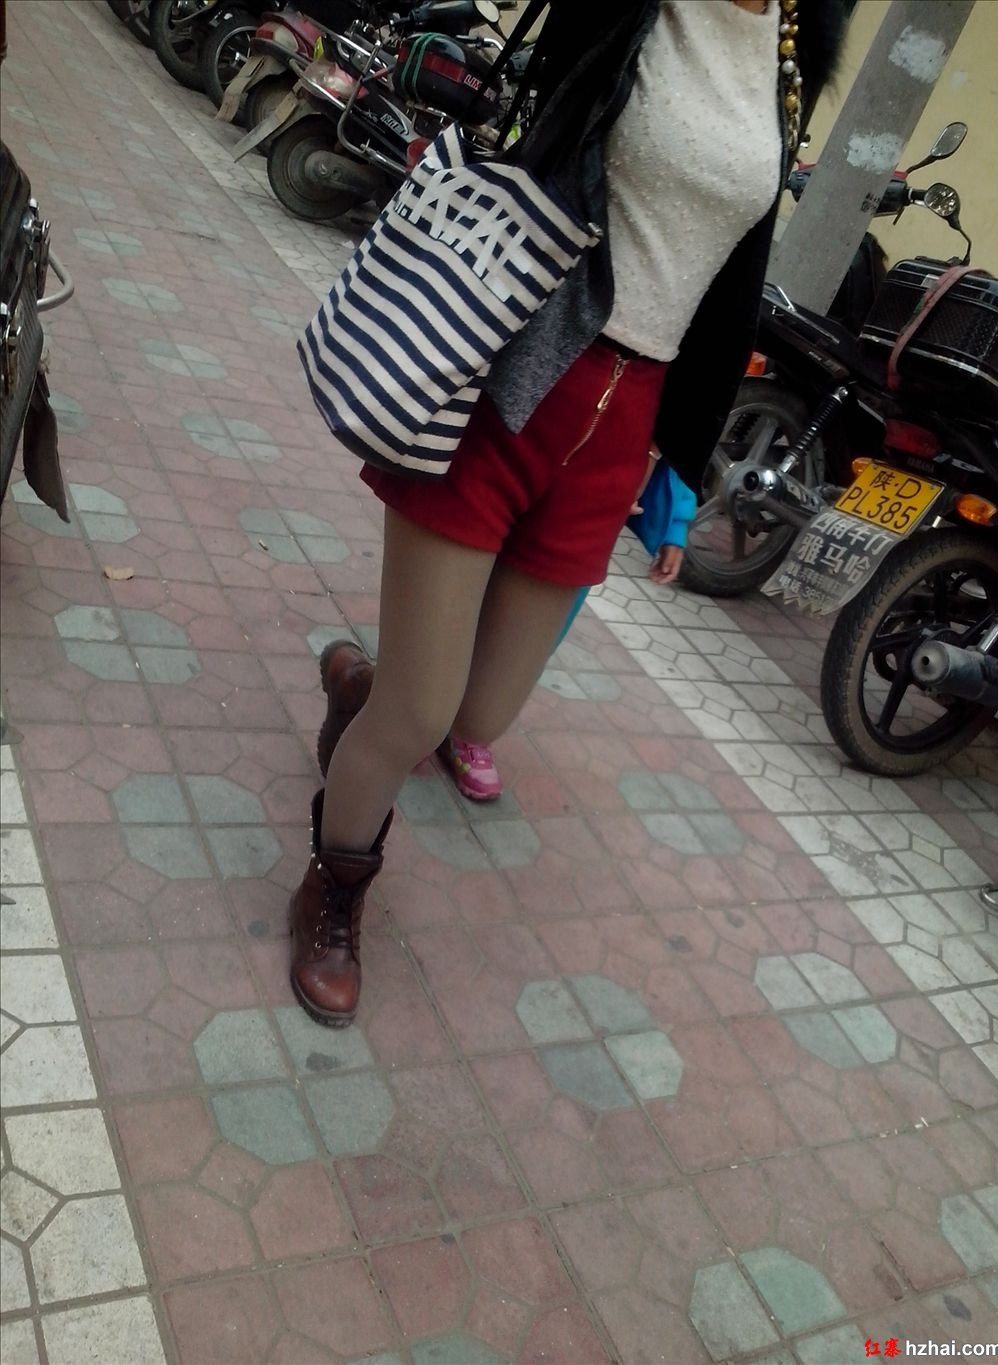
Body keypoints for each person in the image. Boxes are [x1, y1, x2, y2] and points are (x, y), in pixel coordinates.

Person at [289, 0, 849, 1027]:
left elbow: (730, 273)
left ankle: (364, 692)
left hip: (624, 420)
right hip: (506, 374)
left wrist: (677, 465)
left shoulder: (790, 49)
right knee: (417, 719)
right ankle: (333, 891)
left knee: (475, 716)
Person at [440, 455, 697, 801]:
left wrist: (676, 522)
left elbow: (681, 431)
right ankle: (420, 697)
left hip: (589, 501)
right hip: (506, 461)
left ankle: (470, 731)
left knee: (527, 634)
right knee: (455, 591)